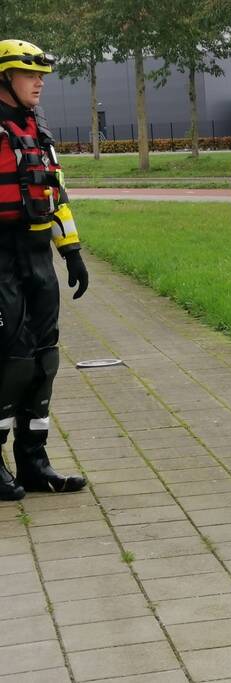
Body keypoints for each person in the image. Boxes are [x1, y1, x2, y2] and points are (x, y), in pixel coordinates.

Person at [0, 40, 88, 501]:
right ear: (4, 79)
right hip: (1, 260)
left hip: (37, 257)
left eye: (41, 76)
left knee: (44, 359)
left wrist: (70, 252)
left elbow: (56, 195)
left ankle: (34, 461)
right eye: (28, 74)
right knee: (10, 362)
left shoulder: (39, 128)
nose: (38, 83)